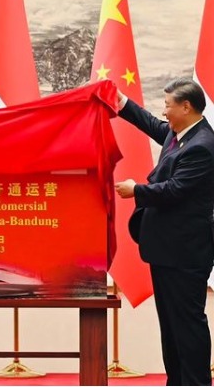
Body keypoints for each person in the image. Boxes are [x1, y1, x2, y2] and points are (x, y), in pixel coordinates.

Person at [114, 78, 214, 385]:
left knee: (187, 324)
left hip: (186, 253)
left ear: (187, 107)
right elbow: (155, 126)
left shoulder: (203, 147)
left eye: (168, 105)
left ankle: (195, 382)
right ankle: (177, 381)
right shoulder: (182, 133)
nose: (164, 111)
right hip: (166, 249)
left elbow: (175, 189)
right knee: (170, 325)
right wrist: (121, 103)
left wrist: (137, 190)